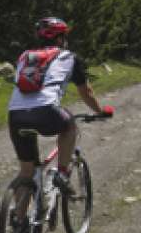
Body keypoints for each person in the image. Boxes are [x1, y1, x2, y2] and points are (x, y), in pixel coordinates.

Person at [8, 17, 112, 203]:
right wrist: (99, 111)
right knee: (70, 125)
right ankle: (62, 174)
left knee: (26, 172)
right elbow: (86, 92)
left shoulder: (24, 56)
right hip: (46, 111)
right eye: (64, 36)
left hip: (16, 115)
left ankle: (19, 224)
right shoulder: (69, 57)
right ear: (59, 39)